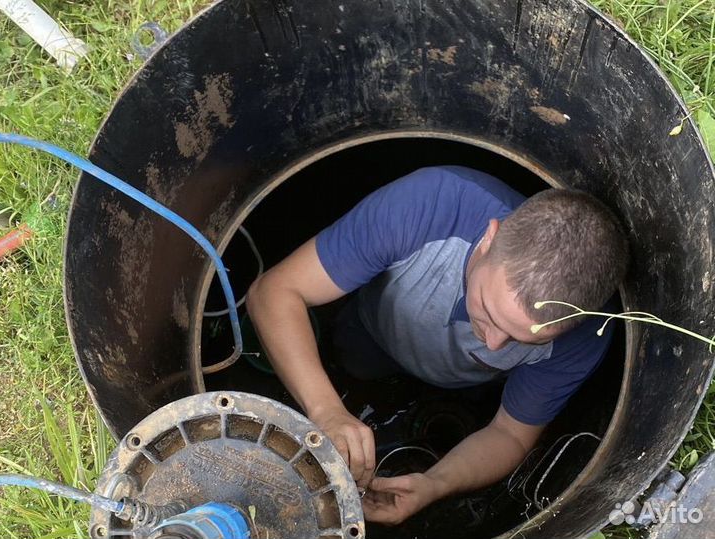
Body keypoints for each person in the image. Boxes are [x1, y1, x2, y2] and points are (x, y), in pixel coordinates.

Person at [246, 165, 629, 525]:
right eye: (488, 311)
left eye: (525, 339)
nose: (494, 346)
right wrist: (327, 409)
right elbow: (274, 293)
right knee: (355, 361)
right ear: (488, 239)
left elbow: (510, 434)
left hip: (467, 386)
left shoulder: (587, 333)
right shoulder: (424, 207)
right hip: (372, 330)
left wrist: (435, 484)